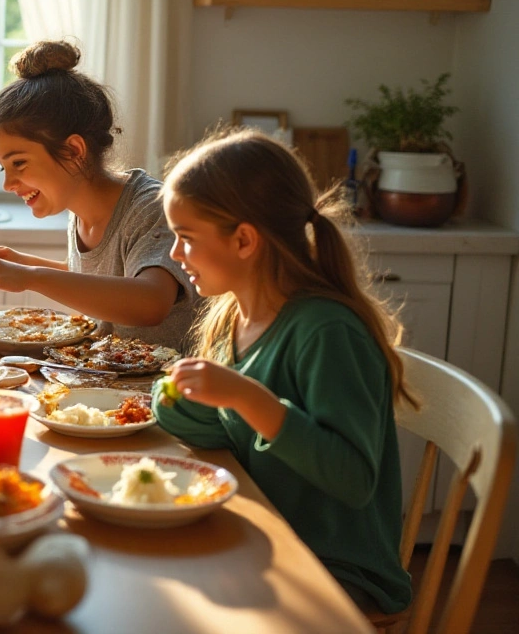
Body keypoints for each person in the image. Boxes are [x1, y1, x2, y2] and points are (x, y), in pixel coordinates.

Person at [154, 128, 415, 614]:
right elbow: (224, 432)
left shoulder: (328, 332)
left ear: (245, 240)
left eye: (186, 238)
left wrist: (248, 399)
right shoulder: (234, 316)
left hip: (336, 569)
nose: (174, 254)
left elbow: (353, 478)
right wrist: (172, 397)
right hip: (266, 532)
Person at [0, 40, 196, 351]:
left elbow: (150, 302)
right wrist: (21, 263)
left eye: (19, 163)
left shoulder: (151, 207)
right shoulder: (80, 211)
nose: (8, 183)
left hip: (165, 392)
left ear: (73, 151)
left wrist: (30, 276)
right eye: (3, 167)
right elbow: (103, 279)